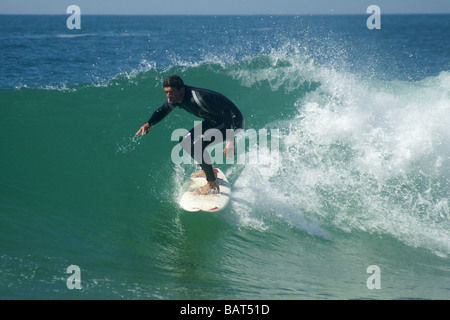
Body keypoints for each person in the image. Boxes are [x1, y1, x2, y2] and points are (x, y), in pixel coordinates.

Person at [136, 75, 245, 195]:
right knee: (185, 140)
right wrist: (149, 123)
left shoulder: (198, 99)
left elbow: (227, 112)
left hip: (233, 122)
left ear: (181, 89)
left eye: (171, 92)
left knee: (198, 144)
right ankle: (208, 171)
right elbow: (162, 110)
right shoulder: (176, 99)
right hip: (214, 120)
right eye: (166, 92)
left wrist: (230, 139)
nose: (168, 96)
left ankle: (212, 184)